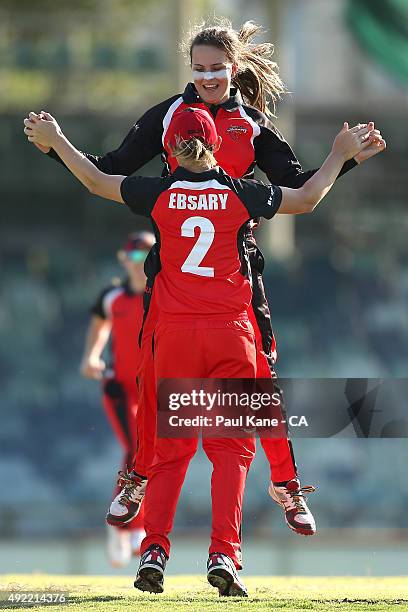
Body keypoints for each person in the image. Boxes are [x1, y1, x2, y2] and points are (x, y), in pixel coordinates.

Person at [24, 18, 386, 538]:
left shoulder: (254, 125)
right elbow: (110, 167)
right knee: (152, 382)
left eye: (217, 68)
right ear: (189, 70)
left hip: (235, 273)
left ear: (234, 70)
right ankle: (138, 479)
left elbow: (298, 187)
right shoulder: (168, 114)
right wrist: (57, 145)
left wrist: (343, 160)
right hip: (171, 275)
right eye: (198, 69)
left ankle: (284, 484)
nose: (207, 78)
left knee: (258, 385)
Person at [80, 231, 154, 567]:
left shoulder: (164, 294)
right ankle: (127, 525)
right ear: (124, 259)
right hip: (121, 388)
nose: (141, 265)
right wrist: (92, 356)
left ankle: (124, 521)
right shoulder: (112, 297)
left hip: (154, 390)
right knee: (137, 450)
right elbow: (100, 323)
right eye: (136, 257)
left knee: (149, 453)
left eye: (149, 257)